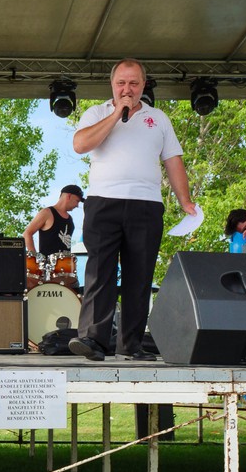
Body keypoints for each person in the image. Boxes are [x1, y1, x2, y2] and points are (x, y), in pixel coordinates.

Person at [68, 58, 196, 362]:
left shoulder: (159, 118)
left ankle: (131, 344)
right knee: (100, 271)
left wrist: (185, 201)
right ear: (112, 85)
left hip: (146, 203)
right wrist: (117, 114)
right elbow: (80, 144)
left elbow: (173, 160)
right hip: (103, 201)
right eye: (121, 83)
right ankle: (93, 339)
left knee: (140, 274)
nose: (127, 89)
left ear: (143, 85)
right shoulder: (96, 112)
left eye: (134, 83)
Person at [22, 184, 83, 256]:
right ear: (69, 196)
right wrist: (35, 258)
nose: (77, 205)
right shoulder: (47, 213)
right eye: (77, 201)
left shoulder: (70, 218)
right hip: (47, 262)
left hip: (67, 262)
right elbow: (27, 233)